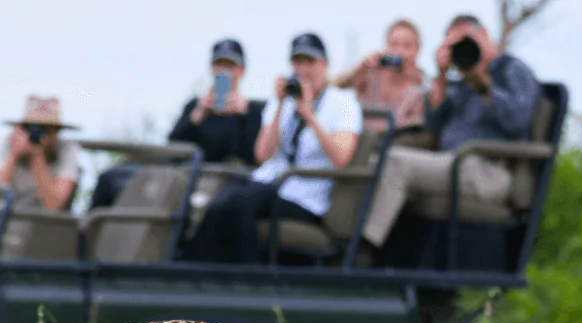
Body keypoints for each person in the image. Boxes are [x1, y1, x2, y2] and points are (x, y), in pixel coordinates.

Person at [357, 14, 541, 250]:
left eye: (468, 41)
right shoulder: (461, 79)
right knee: (371, 161)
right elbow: (433, 125)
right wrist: (442, 76)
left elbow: (517, 121)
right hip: (451, 165)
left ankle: (363, 251)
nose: (464, 50)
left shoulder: (512, 70)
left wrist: (483, 83)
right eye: (454, 46)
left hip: (488, 169)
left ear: (484, 36)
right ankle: (373, 249)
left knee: (395, 164)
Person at [184, 32, 362, 264]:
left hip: (307, 195)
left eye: (310, 62)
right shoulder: (285, 102)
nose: (303, 69)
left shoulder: (343, 103)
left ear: (325, 65)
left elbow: (341, 159)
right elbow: (263, 155)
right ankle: (192, 269)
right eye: (298, 62)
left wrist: (310, 116)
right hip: (270, 183)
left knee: (242, 204)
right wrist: (279, 106)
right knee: (220, 202)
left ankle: (251, 277)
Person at [89, 38, 265, 209]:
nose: (223, 71)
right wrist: (195, 118)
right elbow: (172, 146)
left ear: (241, 71)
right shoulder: (195, 107)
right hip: (183, 174)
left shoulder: (254, 111)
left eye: (230, 66)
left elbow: (254, 157)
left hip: (220, 179)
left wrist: (244, 116)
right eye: (219, 65)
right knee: (111, 178)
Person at [332, 19, 428, 138]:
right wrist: (360, 68)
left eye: (407, 46)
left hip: (396, 147)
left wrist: (416, 79)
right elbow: (337, 86)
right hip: (362, 143)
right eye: (394, 45)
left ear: (417, 49)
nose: (399, 51)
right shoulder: (371, 73)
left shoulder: (422, 86)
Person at [0, 95, 82, 213]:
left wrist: (37, 157)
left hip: (45, 224)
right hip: (12, 217)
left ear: (56, 131)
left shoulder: (66, 150)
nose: (38, 133)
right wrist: (13, 155)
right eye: (31, 127)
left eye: (46, 128)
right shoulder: (10, 144)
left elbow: (53, 205)